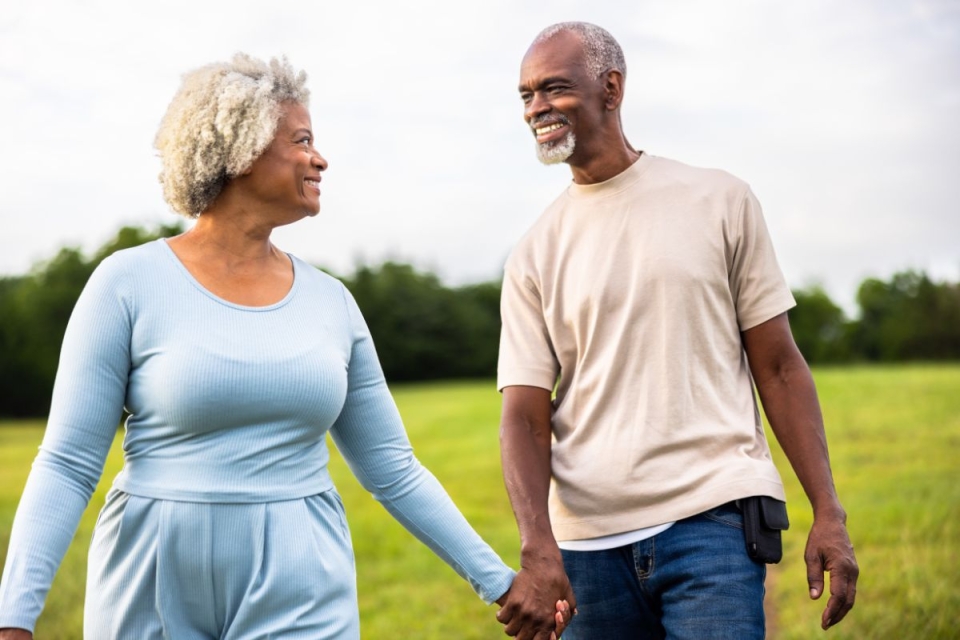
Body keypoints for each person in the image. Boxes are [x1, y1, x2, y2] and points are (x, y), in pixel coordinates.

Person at [0, 53, 569, 640]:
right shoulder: (127, 283)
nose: (320, 158)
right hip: (152, 573)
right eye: (302, 140)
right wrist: (13, 618)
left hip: (302, 578)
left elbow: (392, 468)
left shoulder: (332, 302)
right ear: (241, 148)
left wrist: (499, 581)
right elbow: (68, 463)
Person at [493, 22, 859, 640]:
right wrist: (538, 547)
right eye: (526, 95)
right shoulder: (533, 253)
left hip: (711, 524)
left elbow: (779, 366)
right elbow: (524, 416)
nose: (536, 109)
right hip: (587, 550)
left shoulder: (719, 200)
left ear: (611, 88)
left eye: (553, 89)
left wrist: (829, 511)